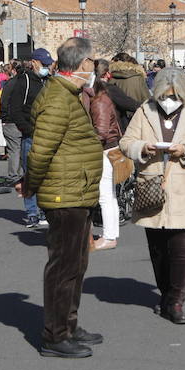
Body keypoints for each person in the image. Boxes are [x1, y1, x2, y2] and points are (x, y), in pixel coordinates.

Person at [20, 37, 104, 358]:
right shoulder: (58, 98)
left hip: (76, 191)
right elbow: (41, 151)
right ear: (83, 64)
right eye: (92, 61)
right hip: (64, 195)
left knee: (76, 264)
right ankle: (54, 335)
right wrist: (31, 185)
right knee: (63, 265)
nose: (94, 66)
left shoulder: (68, 94)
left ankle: (68, 324)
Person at [121, 67, 185, 324]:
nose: (169, 100)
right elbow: (126, 143)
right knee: (158, 250)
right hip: (151, 186)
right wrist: (143, 147)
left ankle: (175, 301)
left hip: (184, 188)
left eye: (174, 95)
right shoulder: (144, 111)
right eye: (164, 95)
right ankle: (165, 294)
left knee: (181, 248)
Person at [2, 50, 52, 229]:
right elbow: (15, 109)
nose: (46, 68)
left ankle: (45, 210)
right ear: (34, 62)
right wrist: (28, 129)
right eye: (44, 65)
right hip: (31, 135)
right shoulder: (25, 81)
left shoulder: (49, 81)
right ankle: (32, 213)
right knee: (30, 175)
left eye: (48, 65)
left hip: (48, 135)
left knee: (47, 175)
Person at [82, 60, 122, 252]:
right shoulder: (100, 98)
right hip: (108, 148)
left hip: (105, 150)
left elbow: (101, 132)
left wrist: (87, 147)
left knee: (105, 195)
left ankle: (109, 236)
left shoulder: (99, 101)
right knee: (108, 195)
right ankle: (110, 234)